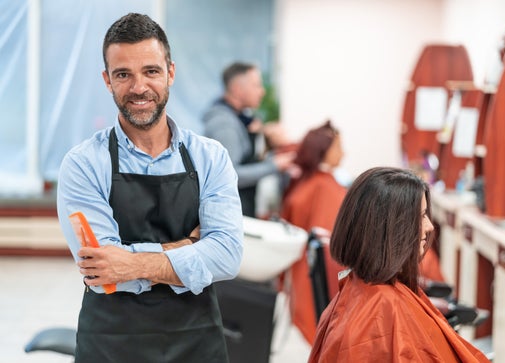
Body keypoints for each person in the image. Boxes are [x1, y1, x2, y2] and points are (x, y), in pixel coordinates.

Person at [56, 13, 243, 363]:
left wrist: (132, 263)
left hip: (196, 340)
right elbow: (103, 275)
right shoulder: (82, 164)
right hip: (111, 343)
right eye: (123, 74)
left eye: (151, 71)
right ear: (107, 81)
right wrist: (190, 246)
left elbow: (227, 256)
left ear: (170, 72)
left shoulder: (210, 157)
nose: (139, 87)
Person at [308, 167, 490, 362]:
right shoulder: (382, 310)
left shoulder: (363, 291)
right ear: (391, 229)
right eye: (421, 216)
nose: (429, 226)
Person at [280, 120, 347, 344]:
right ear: (323, 151)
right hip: (313, 272)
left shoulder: (307, 182)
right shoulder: (324, 188)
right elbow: (328, 242)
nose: (343, 153)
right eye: (338, 147)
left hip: (300, 269)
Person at [203, 62, 294, 217]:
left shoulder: (242, 119)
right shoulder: (224, 124)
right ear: (237, 89)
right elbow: (231, 176)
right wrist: (274, 165)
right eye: (256, 85)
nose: (262, 91)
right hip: (229, 215)